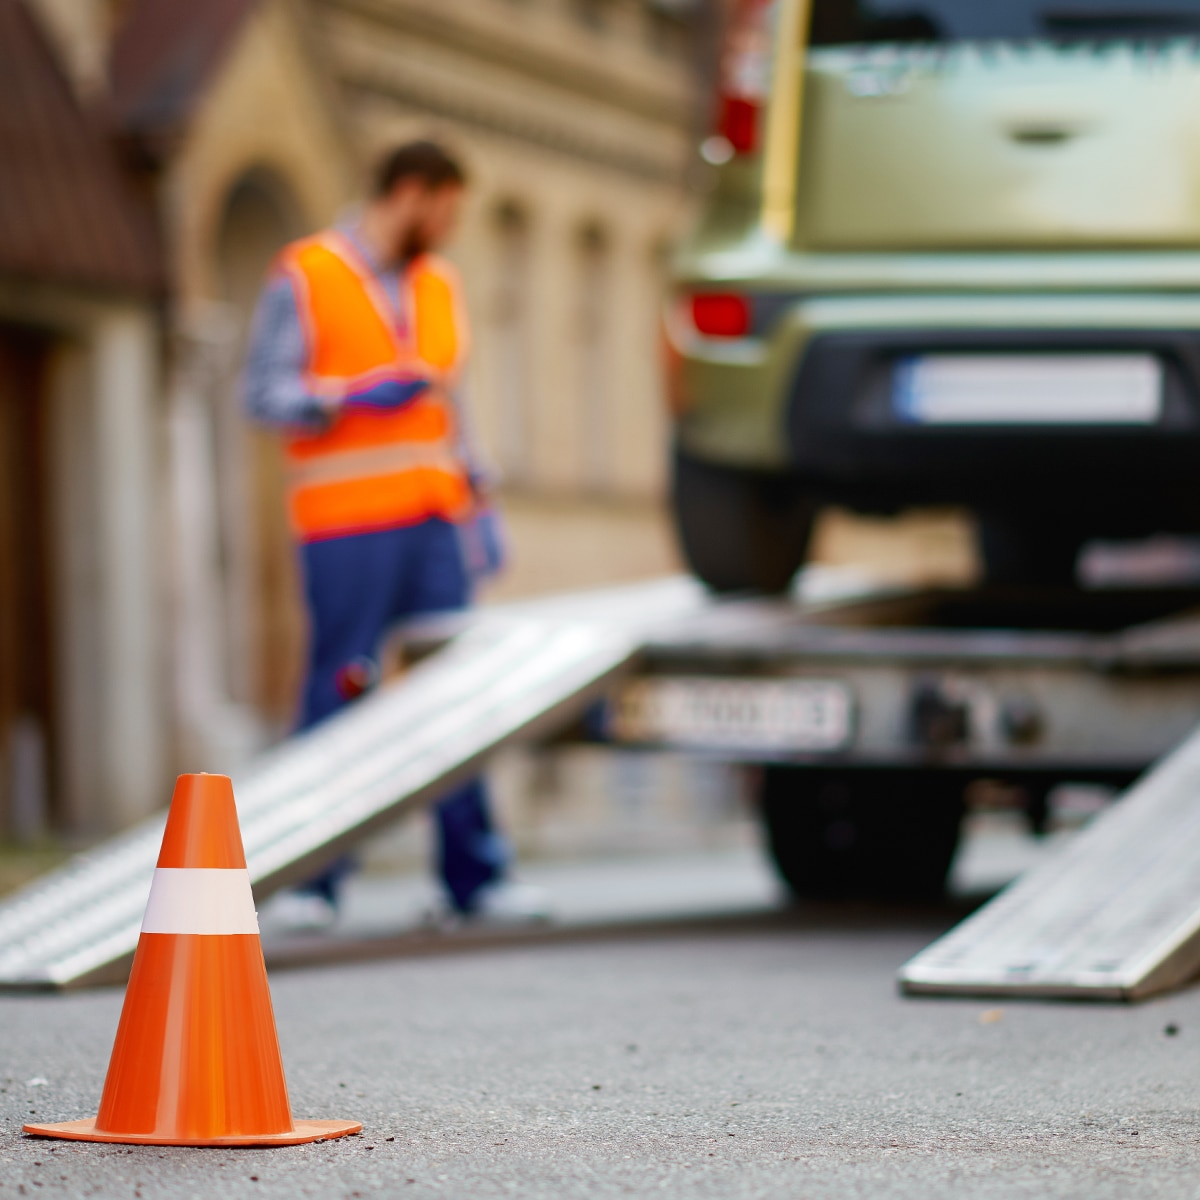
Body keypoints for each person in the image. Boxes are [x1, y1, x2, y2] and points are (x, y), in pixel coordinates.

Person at [243, 140, 546, 929]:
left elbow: (452, 407)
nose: (448, 229)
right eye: (445, 210)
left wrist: (480, 501)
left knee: (455, 696)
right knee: (341, 690)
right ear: (411, 193)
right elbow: (263, 393)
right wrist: (344, 396)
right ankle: (310, 882)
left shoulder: (439, 284)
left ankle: (473, 880)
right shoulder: (306, 274)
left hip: (435, 521)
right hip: (346, 527)